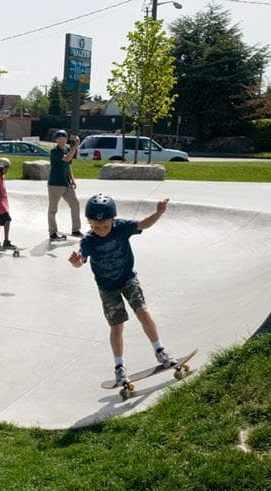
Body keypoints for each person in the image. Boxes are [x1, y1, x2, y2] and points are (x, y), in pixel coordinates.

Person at [68, 193, 176, 387]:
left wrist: (158, 213)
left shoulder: (122, 227)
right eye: (96, 226)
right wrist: (76, 262)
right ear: (89, 222)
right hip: (107, 288)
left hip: (128, 278)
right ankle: (119, 367)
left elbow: (143, 224)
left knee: (143, 312)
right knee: (116, 327)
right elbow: (80, 261)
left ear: (113, 220)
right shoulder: (88, 240)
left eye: (106, 226)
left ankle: (160, 351)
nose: (101, 230)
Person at [48, 129, 82, 241]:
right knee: (53, 209)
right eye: (60, 140)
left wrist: (72, 179)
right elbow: (66, 158)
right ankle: (52, 232)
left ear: (66, 139)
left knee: (75, 204)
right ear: (57, 140)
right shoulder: (54, 151)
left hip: (66, 184)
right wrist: (76, 145)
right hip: (55, 184)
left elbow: (68, 165)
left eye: (64, 139)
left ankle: (76, 229)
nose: (62, 142)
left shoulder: (68, 149)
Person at [0, 157, 15, 249]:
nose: (7, 170)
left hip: (3, 203)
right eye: (7, 168)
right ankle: (6, 241)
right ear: (2, 168)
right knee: (7, 220)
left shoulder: (1, 177)